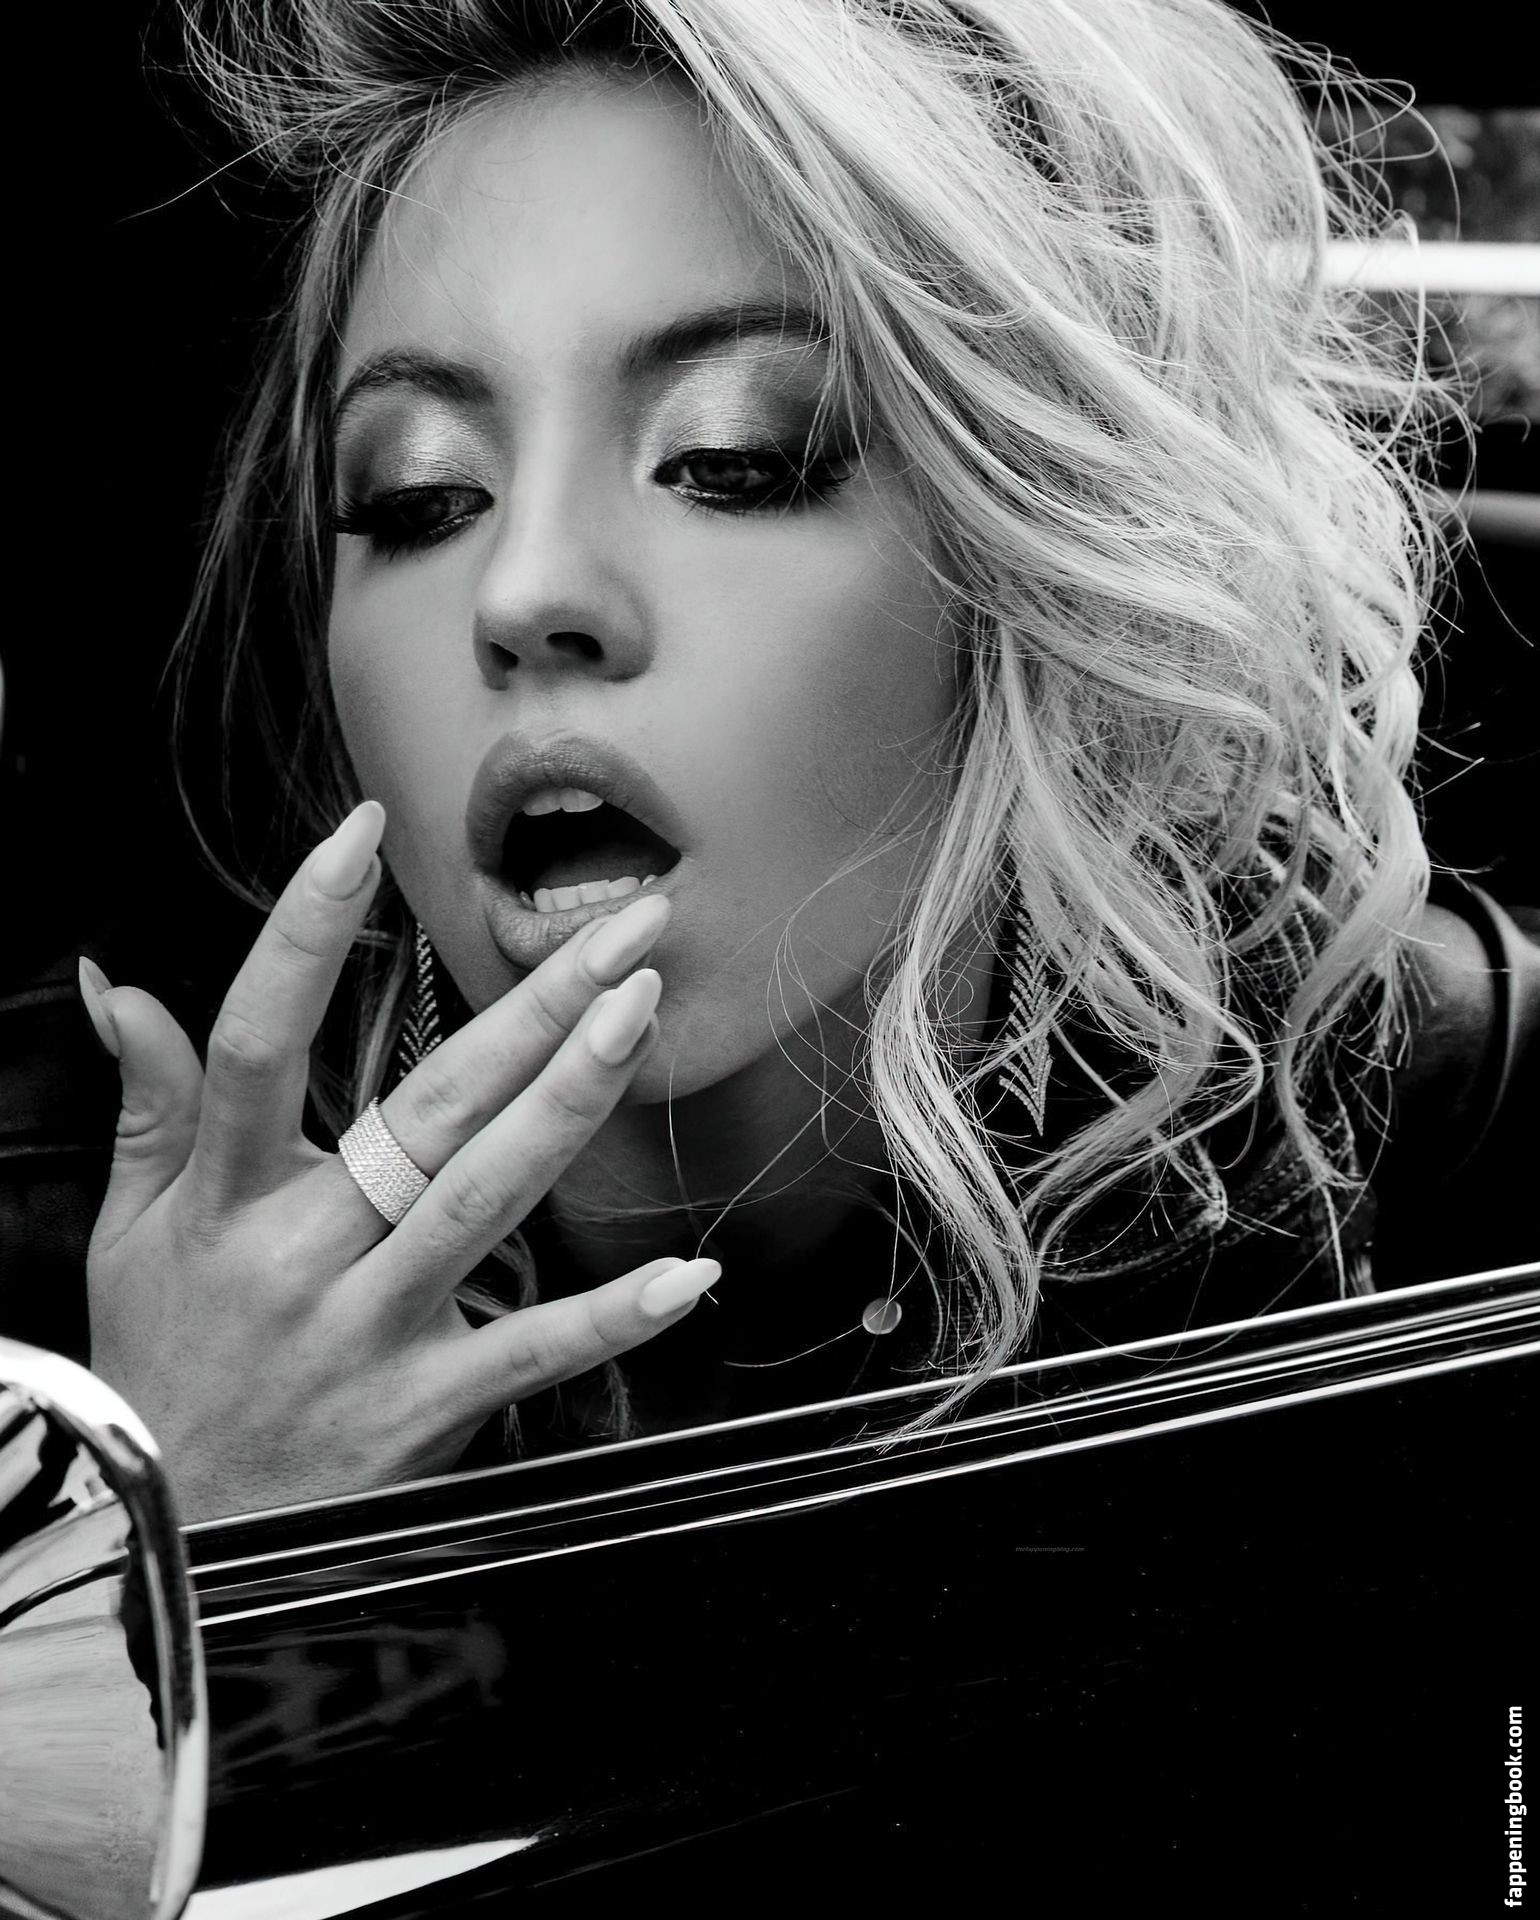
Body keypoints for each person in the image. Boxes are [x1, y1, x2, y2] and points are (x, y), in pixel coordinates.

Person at [5, 0, 1535, 1521]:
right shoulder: (59, 1276)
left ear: (1029, 572)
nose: (523, 593)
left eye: (730, 460)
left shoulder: (1422, 1108)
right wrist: (171, 1522)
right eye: (420, 498)